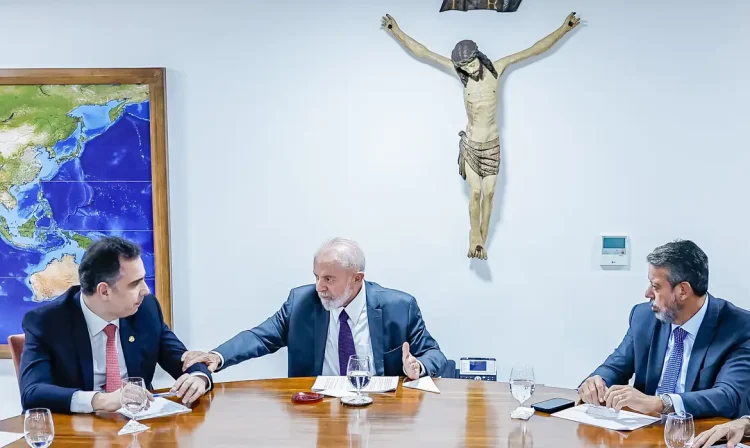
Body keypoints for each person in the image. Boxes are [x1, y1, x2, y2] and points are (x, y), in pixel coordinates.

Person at [381, 12, 580, 259]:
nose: (469, 69)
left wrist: (564, 29)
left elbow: (533, 49)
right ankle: (474, 238)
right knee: (475, 193)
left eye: (471, 63)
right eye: (464, 67)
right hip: (472, 144)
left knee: (490, 194)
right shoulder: (462, 75)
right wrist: (396, 31)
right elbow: (425, 53)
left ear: (478, 57)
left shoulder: (498, 68)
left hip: (492, 145)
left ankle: (481, 241)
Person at [182, 237, 447, 379]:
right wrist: (217, 356)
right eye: (316, 276)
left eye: (329, 279)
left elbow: (434, 353)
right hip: (318, 413)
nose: (319, 287)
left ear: (357, 279)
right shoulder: (301, 303)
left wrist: (418, 367)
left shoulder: (399, 307)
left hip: (382, 413)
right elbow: (259, 336)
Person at [19, 237, 213, 414]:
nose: (145, 291)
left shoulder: (146, 309)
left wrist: (198, 376)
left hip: (138, 431)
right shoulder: (47, 322)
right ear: (104, 291)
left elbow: (182, 358)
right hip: (78, 433)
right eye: (135, 283)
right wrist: (101, 400)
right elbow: (33, 392)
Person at [578, 239, 750, 418]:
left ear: (683, 290)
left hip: (700, 433)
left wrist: (660, 402)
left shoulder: (740, 327)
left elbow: (728, 396)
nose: (647, 294)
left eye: (656, 286)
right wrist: (597, 382)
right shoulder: (644, 317)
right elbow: (616, 367)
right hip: (643, 431)